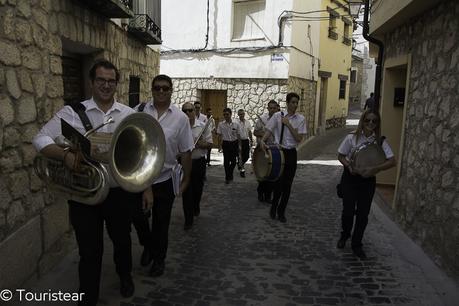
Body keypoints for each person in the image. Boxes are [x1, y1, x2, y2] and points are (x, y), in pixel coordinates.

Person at [32, 60, 139, 305]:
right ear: (91, 82)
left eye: (111, 81)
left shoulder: (128, 115)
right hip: (85, 195)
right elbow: (40, 138)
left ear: (116, 84)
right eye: (101, 80)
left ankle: (125, 276)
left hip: (117, 191)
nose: (106, 85)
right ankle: (87, 295)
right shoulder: (71, 113)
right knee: (89, 250)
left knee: (122, 240)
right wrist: (65, 155)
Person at [135, 74, 193, 277]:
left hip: (165, 180)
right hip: (139, 178)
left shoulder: (181, 118)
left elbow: (186, 151)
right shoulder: (139, 111)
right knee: (138, 218)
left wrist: (186, 179)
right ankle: (148, 245)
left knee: (161, 224)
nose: (161, 91)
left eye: (165, 88)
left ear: (171, 90)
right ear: (151, 89)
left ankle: (159, 259)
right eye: (157, 88)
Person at [336, 109, 396, 259]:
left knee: (363, 215)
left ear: (377, 124)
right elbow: (341, 156)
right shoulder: (352, 138)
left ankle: (357, 244)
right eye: (367, 120)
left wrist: (375, 168)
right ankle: (345, 235)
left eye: (374, 121)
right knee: (348, 211)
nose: (370, 123)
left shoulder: (380, 141)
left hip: (368, 181)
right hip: (350, 178)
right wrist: (349, 166)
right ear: (362, 121)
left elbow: (392, 161)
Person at [261, 93, 307, 223]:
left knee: (288, 185)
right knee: (278, 183)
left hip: (291, 153)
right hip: (279, 152)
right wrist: (262, 141)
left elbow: (298, 139)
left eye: (296, 102)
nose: (295, 105)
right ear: (287, 103)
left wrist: (288, 124)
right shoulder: (277, 116)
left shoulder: (300, 119)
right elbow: (269, 131)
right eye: (292, 102)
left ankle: (281, 212)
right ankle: (273, 208)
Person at [181, 102, 213, 230]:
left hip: (199, 162)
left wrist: (199, 143)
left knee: (197, 189)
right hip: (184, 163)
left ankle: (196, 206)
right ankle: (188, 219)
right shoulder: (180, 127)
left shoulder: (202, 126)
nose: (188, 113)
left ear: (195, 111)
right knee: (186, 191)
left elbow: (210, 144)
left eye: (190, 110)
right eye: (185, 111)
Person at [253, 100, 278, 203]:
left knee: (272, 173)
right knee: (263, 172)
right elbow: (255, 132)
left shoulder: (279, 120)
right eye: (270, 108)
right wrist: (264, 134)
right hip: (263, 149)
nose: (272, 110)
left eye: (274, 108)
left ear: (277, 108)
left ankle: (268, 196)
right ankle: (260, 192)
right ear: (268, 108)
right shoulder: (262, 119)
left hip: (274, 149)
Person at [217, 108, 243, 184]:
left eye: (227, 114)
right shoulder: (221, 124)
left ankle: (230, 173)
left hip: (234, 143)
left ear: (231, 114)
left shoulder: (236, 124)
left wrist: (239, 146)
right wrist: (219, 146)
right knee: (226, 161)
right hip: (226, 144)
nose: (226, 116)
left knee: (234, 162)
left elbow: (238, 135)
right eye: (224, 114)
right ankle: (227, 177)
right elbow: (219, 135)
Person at [234, 109, 252, 177]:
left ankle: (240, 164)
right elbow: (235, 132)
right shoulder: (236, 122)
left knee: (247, 156)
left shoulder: (247, 122)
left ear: (244, 114)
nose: (242, 115)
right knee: (240, 155)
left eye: (243, 114)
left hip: (246, 140)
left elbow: (249, 131)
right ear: (238, 115)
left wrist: (251, 140)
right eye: (240, 114)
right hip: (239, 140)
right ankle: (242, 170)